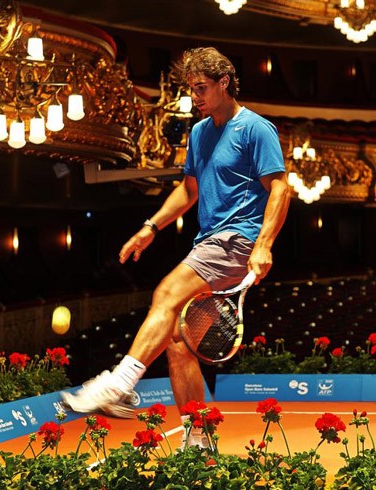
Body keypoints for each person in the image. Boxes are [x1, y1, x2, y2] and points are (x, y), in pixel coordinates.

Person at [61, 47, 290, 446]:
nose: (195, 97)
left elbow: (281, 189)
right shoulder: (199, 132)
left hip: (239, 239)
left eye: (202, 88)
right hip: (209, 239)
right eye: (191, 89)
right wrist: (151, 227)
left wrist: (264, 244)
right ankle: (198, 438)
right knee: (179, 342)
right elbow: (188, 191)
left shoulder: (256, 129)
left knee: (165, 293)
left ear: (224, 84)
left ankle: (119, 384)